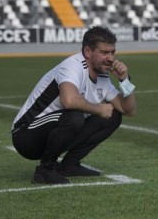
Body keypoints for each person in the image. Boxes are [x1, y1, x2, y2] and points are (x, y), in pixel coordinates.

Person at [11, 26, 137, 184]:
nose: (111, 58)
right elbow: (68, 100)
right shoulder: (73, 66)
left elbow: (128, 109)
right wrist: (99, 108)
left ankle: (69, 164)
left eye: (112, 52)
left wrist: (124, 80)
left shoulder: (102, 76)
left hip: (54, 132)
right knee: (74, 115)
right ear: (87, 52)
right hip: (26, 135)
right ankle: (45, 169)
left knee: (113, 117)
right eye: (104, 52)